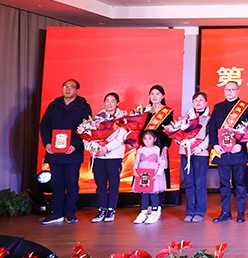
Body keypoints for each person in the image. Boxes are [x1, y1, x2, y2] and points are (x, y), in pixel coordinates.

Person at [39, 79, 92, 225]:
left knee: (72, 183)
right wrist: (47, 142)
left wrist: (75, 145)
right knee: (56, 183)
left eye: (71, 87)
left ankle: (70, 213)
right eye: (65, 87)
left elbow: (86, 127)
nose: (67, 89)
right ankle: (57, 213)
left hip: (72, 152)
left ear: (77, 90)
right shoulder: (54, 105)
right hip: (55, 152)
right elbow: (44, 126)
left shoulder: (83, 106)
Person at [208, 82, 248, 223]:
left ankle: (240, 213)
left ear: (238, 91)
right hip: (222, 152)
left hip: (237, 152)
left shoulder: (245, 107)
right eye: (227, 89)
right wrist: (214, 145)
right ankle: (225, 212)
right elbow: (212, 128)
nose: (229, 92)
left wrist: (240, 144)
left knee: (240, 184)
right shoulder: (218, 107)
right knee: (224, 185)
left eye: (232, 89)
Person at [86, 92, 128, 223]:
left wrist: (107, 148)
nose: (109, 103)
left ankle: (111, 209)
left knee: (114, 184)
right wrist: (92, 147)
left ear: (117, 103)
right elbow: (88, 135)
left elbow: (121, 138)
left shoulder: (122, 119)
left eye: (112, 101)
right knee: (100, 185)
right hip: (99, 157)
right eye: (107, 101)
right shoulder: (97, 118)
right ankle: (102, 209)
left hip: (114, 156)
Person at [179, 92, 210, 223]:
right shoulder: (186, 117)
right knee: (189, 183)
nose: (198, 102)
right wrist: (179, 141)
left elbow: (210, 135)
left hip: (200, 153)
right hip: (186, 153)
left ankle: (200, 212)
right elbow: (179, 133)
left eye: (201, 100)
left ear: (206, 103)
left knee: (199, 183)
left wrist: (201, 147)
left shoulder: (209, 118)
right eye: (196, 100)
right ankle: (190, 211)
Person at [141, 85, 175, 202]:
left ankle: (157, 204)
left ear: (163, 96)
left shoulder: (167, 112)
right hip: (145, 147)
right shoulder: (145, 111)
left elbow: (169, 131)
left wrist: (165, 147)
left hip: (160, 146)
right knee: (145, 172)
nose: (154, 96)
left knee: (158, 173)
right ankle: (146, 205)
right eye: (152, 93)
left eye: (157, 94)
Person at [132, 130, 167, 224]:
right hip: (143, 174)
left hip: (154, 175)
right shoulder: (140, 150)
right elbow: (137, 162)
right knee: (144, 194)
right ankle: (143, 212)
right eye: (145, 139)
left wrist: (158, 174)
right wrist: (135, 170)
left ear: (155, 139)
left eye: (150, 138)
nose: (147, 141)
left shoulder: (158, 150)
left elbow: (162, 164)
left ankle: (154, 212)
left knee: (153, 193)